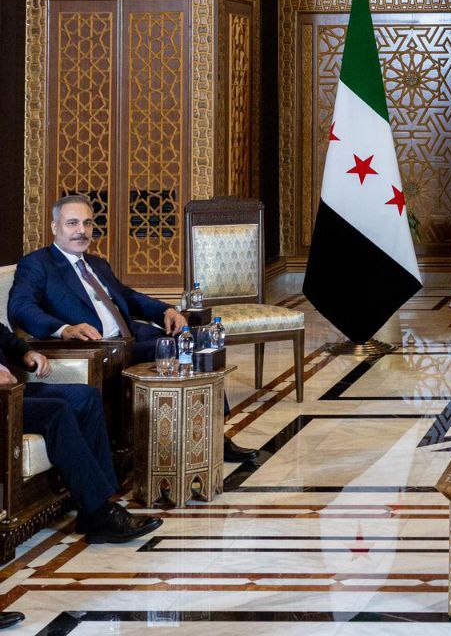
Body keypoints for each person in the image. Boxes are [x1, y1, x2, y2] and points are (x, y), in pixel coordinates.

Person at [8, 194, 258, 462]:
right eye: (72, 223)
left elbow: (128, 297)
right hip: (103, 349)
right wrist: (64, 328)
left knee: (201, 338)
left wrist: (166, 310)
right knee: (177, 349)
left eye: (87, 223)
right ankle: (191, 442)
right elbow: (20, 308)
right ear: (54, 227)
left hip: (131, 336)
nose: (82, 230)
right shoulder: (38, 264)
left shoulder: (96, 264)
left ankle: (215, 433)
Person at [0, 319, 162, 544]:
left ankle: (95, 509)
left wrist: (26, 353)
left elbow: (3, 336)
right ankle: (100, 512)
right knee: (57, 412)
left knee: (87, 397)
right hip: (3, 400)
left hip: (12, 391)